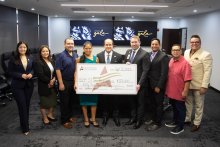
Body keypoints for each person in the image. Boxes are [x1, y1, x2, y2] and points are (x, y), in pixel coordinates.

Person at [184, 35, 213, 132]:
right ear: (190, 43)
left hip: (198, 85)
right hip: (187, 83)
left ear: (200, 43)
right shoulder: (186, 52)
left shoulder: (206, 54)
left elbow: (208, 71)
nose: (194, 44)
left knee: (198, 104)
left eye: (196, 42)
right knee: (188, 103)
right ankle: (187, 119)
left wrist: (204, 86)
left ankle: (197, 123)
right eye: (192, 42)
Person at [124, 35, 150, 129]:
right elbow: (125, 64)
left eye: (135, 42)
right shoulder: (128, 52)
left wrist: (139, 84)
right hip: (130, 83)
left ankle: (139, 121)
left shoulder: (145, 54)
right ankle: (133, 118)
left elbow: (145, 71)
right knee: (132, 102)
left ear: (139, 42)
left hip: (140, 84)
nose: (134, 44)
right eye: (132, 42)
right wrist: (125, 64)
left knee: (140, 103)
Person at [8, 41, 34, 135]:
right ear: (18, 48)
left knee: (26, 106)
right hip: (17, 86)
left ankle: (24, 123)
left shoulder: (30, 57)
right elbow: (10, 72)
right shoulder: (13, 59)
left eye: (24, 47)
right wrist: (20, 75)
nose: (22, 49)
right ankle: (25, 128)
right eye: (20, 47)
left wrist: (31, 74)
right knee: (22, 106)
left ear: (26, 48)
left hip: (29, 85)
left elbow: (33, 69)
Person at [165, 44, 192, 134]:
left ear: (181, 51)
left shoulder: (185, 63)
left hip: (180, 91)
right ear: (171, 51)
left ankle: (180, 126)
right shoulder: (171, 60)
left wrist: (185, 91)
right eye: (173, 50)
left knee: (181, 109)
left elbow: (188, 79)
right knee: (174, 107)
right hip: (171, 90)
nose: (175, 52)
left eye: (177, 50)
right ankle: (175, 121)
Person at [97, 38, 123, 127]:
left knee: (116, 101)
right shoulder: (99, 56)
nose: (108, 46)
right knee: (104, 101)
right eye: (106, 44)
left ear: (113, 45)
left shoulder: (119, 56)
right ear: (104, 45)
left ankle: (116, 117)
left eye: (110, 44)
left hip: (115, 85)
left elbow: (121, 71)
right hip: (103, 84)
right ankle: (105, 116)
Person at [74, 41, 99, 128]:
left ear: (92, 49)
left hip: (93, 85)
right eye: (86, 48)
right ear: (83, 49)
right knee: (84, 102)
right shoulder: (79, 59)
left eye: (89, 48)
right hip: (83, 84)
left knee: (93, 103)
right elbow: (76, 72)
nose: (88, 50)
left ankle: (93, 119)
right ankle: (86, 119)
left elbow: (98, 72)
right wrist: (76, 83)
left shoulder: (96, 59)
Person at [146, 38, 169, 131]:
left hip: (157, 86)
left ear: (159, 45)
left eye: (156, 44)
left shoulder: (163, 56)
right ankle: (153, 118)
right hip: (149, 84)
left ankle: (158, 123)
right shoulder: (148, 54)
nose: (154, 46)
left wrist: (159, 86)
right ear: (150, 45)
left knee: (159, 104)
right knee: (152, 104)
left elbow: (164, 73)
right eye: (152, 44)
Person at [55, 38, 78, 129]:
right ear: (64, 45)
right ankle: (64, 120)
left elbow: (77, 68)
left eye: (72, 44)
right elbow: (57, 70)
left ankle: (69, 116)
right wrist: (60, 83)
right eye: (68, 43)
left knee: (71, 101)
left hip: (73, 81)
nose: (70, 45)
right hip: (64, 81)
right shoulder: (61, 56)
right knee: (64, 102)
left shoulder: (75, 54)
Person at [34, 45, 57, 125]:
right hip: (43, 85)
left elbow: (55, 72)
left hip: (52, 83)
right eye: (43, 51)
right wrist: (49, 81)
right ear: (40, 53)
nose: (45, 52)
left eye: (47, 51)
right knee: (44, 102)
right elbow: (40, 75)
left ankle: (50, 114)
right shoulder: (38, 62)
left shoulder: (51, 60)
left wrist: (54, 79)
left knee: (53, 100)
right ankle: (44, 117)